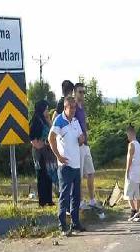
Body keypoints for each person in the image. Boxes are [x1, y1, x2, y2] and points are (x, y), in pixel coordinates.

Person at [49, 96, 86, 235]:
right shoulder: (59, 120)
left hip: (76, 164)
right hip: (65, 165)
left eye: (75, 107)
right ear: (65, 108)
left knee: (76, 195)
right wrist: (58, 156)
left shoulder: (75, 121)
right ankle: (62, 224)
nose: (73, 110)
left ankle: (75, 223)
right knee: (64, 195)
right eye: (71, 107)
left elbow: (80, 139)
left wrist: (81, 139)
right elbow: (51, 138)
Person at [73, 82, 98, 208]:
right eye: (80, 92)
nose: (82, 94)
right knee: (79, 175)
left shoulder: (82, 107)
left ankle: (92, 200)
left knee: (91, 172)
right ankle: (80, 201)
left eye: (83, 92)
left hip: (86, 144)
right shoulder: (73, 107)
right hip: (78, 145)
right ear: (75, 93)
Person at [29, 100, 57, 206]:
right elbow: (32, 137)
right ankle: (42, 201)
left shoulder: (44, 120)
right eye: (46, 109)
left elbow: (52, 129)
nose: (47, 111)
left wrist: (48, 119)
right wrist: (40, 146)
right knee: (41, 176)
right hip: (40, 152)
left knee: (48, 175)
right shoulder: (36, 121)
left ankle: (49, 199)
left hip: (47, 152)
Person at [124, 125, 140, 222]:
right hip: (138, 169)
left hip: (132, 170)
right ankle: (138, 211)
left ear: (130, 134)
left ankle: (133, 211)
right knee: (137, 192)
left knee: (129, 193)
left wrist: (127, 170)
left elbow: (129, 159)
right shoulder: (138, 144)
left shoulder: (131, 144)